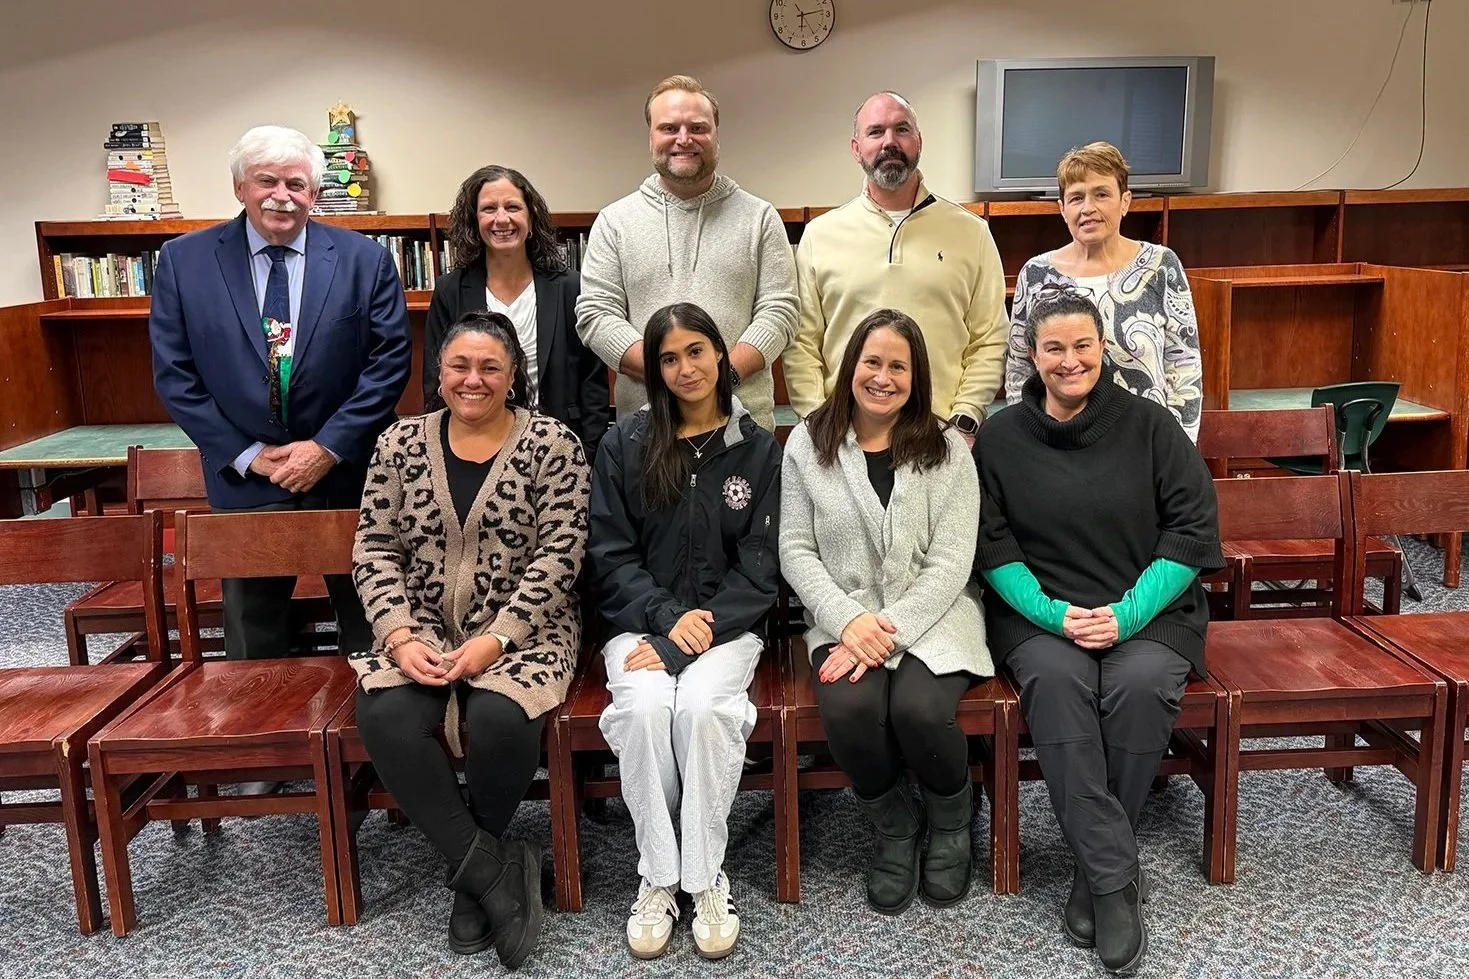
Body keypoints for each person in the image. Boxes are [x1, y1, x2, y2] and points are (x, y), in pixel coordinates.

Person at [149, 123, 411, 782]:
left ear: (315, 192)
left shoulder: (364, 260)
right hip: (245, 478)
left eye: (297, 183)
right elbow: (174, 374)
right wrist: (248, 454)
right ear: (240, 186)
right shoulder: (182, 261)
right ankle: (265, 751)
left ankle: (379, 749)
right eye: (266, 181)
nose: (281, 196)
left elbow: (388, 364)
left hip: (346, 472)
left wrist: (327, 446)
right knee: (253, 622)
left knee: (368, 611)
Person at [973, 290, 1223, 976]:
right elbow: (991, 544)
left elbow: (1192, 529)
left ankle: (1094, 873)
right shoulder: (1000, 438)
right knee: (1057, 685)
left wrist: (1127, 614)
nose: (1069, 360)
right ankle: (1115, 878)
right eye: (1053, 347)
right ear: (1031, 355)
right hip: (1041, 615)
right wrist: (1054, 614)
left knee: (1139, 686)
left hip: (1149, 610)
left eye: (1082, 345)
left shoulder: (1150, 425)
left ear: (1103, 348)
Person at [351, 311, 591, 968]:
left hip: (527, 630)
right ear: (439, 373)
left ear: (514, 376)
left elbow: (561, 554)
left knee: (499, 718)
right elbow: (374, 549)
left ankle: (471, 880)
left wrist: (497, 639)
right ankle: (487, 869)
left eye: (490, 367)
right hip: (419, 627)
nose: (473, 379)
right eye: (460, 365)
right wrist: (398, 635)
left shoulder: (553, 444)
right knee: (387, 716)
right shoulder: (399, 443)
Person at [780, 308, 990, 915]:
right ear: (851, 366)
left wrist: (886, 634)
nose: (883, 377)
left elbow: (951, 562)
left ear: (916, 376)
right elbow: (795, 547)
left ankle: (951, 819)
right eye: (872, 362)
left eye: (898, 366)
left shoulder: (946, 448)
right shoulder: (808, 443)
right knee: (850, 708)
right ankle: (896, 826)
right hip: (842, 616)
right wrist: (848, 621)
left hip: (936, 614)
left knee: (919, 710)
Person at [587, 302, 781, 961]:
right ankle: (658, 877)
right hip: (639, 623)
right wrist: (667, 621)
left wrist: (689, 637)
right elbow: (610, 555)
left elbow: (760, 566)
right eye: (668, 358)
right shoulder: (625, 444)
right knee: (643, 710)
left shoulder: (756, 448)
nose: (685, 368)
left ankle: (703, 877)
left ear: (721, 353)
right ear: (654, 370)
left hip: (727, 628)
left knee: (701, 709)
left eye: (696, 351)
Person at [575, 74, 798, 432]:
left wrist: (722, 378)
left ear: (716, 135)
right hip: (648, 432)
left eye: (698, 128)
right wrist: (669, 375)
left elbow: (780, 311)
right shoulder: (614, 222)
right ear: (651, 137)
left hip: (742, 431)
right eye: (669, 128)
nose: (684, 139)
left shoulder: (760, 218)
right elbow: (596, 315)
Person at [785, 92, 1008, 446]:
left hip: (940, 438)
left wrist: (964, 418)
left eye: (901, 129)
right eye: (876, 132)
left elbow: (990, 338)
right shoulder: (820, 235)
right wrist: (817, 420)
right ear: (857, 148)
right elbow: (802, 343)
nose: (889, 141)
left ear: (919, 141)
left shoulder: (972, 233)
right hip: (843, 442)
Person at [1005, 141, 1203, 442]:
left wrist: (1176, 448)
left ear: (1125, 201)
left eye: (1101, 194)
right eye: (1076, 198)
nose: (1088, 208)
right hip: (1058, 446)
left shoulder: (1161, 266)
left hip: (1144, 444)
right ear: (1062, 209)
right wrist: (1026, 444)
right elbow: (1020, 369)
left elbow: (1184, 367)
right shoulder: (1036, 274)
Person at [423, 164, 610, 456]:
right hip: (476, 444)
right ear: (474, 221)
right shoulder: (451, 290)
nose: (502, 219)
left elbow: (592, 381)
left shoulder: (570, 287)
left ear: (531, 218)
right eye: (489, 209)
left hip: (561, 445)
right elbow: (435, 378)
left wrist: (589, 452)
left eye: (513, 207)